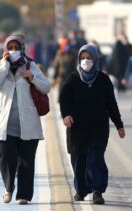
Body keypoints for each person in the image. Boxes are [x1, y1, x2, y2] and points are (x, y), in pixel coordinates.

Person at [0, 35, 50, 205]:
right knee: (3, 155)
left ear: (22, 48)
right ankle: (8, 187)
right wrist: (4, 65)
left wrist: (32, 77)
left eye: (16, 47)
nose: (13, 50)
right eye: (10, 47)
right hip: (5, 124)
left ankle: (24, 194)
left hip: (27, 123)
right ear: (5, 49)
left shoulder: (31, 66)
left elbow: (46, 87)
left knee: (26, 161)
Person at [59, 44, 125, 205]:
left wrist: (119, 125)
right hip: (77, 128)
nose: (86, 61)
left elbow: (111, 104)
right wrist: (66, 115)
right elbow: (64, 99)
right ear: (79, 59)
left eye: (89, 58)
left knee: (96, 159)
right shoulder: (73, 79)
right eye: (83, 58)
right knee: (79, 161)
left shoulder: (103, 79)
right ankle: (80, 190)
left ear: (95, 60)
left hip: (98, 128)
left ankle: (97, 191)